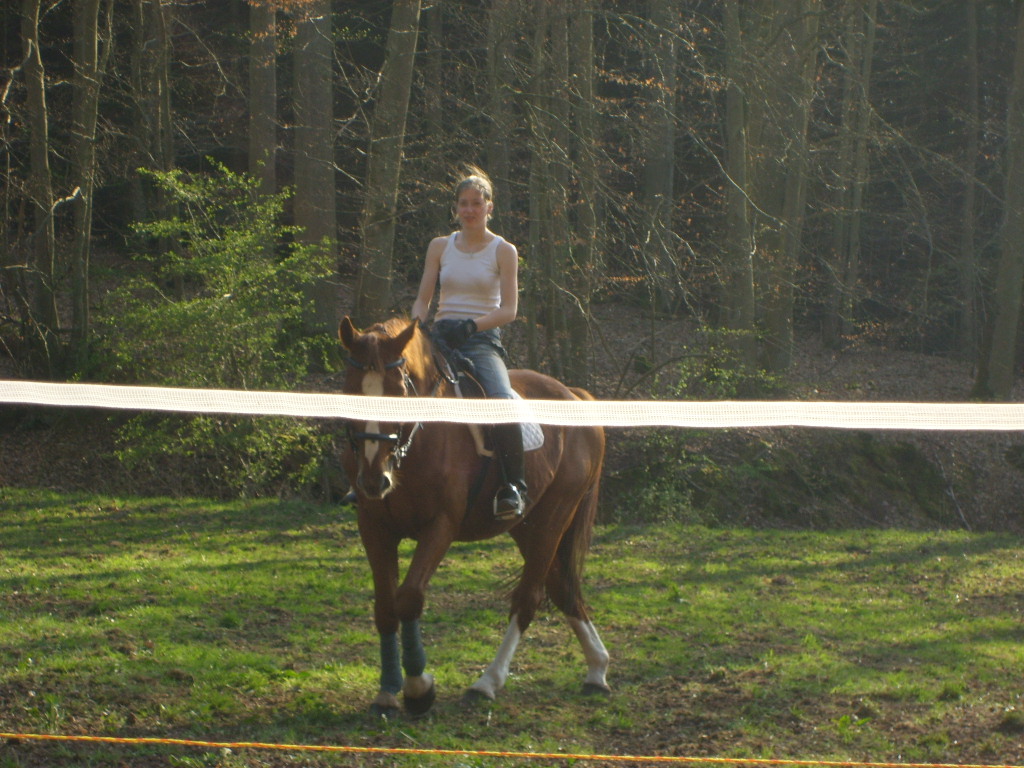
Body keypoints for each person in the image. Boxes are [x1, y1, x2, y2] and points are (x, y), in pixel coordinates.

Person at [411, 167, 527, 521]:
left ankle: (513, 486)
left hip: (480, 339)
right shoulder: (440, 246)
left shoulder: (504, 251)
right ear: (456, 208)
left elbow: (509, 310)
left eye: (477, 203)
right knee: (396, 384)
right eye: (463, 203)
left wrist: (472, 326)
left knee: (502, 401)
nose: (470, 210)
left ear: (489, 207)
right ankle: (375, 475)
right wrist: (415, 327)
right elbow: (423, 300)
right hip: (440, 336)